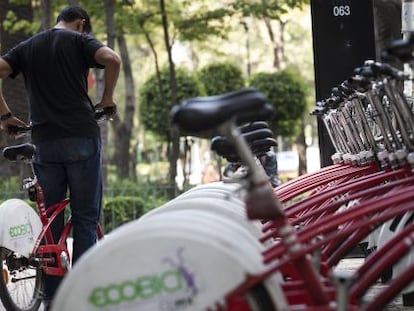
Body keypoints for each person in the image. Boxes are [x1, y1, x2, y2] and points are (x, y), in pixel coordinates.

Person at [0, 5, 121, 310]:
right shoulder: (80, 41)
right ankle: (79, 293)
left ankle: (53, 295)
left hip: (44, 142)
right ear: (81, 24)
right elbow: (112, 59)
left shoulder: (30, 46)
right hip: (81, 136)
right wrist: (106, 99)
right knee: (84, 217)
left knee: (50, 219)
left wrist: (4, 115)